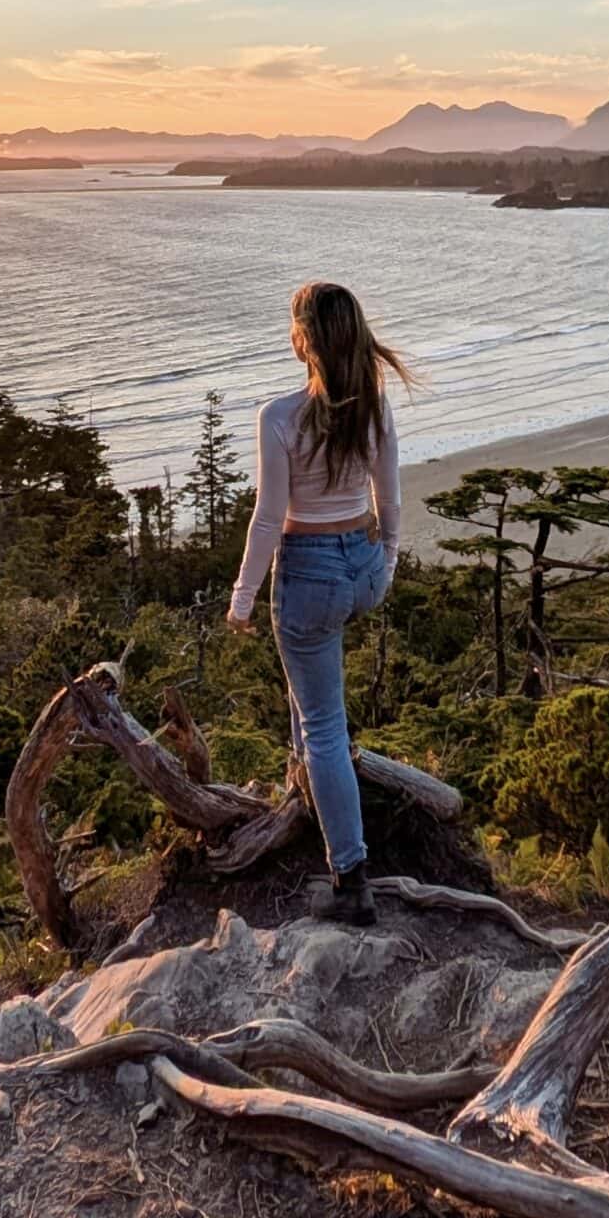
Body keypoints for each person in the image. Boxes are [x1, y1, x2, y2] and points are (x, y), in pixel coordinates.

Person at [226, 281, 409, 924]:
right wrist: (383, 570)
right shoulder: (374, 410)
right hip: (359, 568)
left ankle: (351, 879)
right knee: (311, 703)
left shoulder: (280, 418)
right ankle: (307, 802)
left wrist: (242, 599)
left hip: (308, 577)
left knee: (326, 726)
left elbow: (269, 520)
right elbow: (389, 506)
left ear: (302, 339)